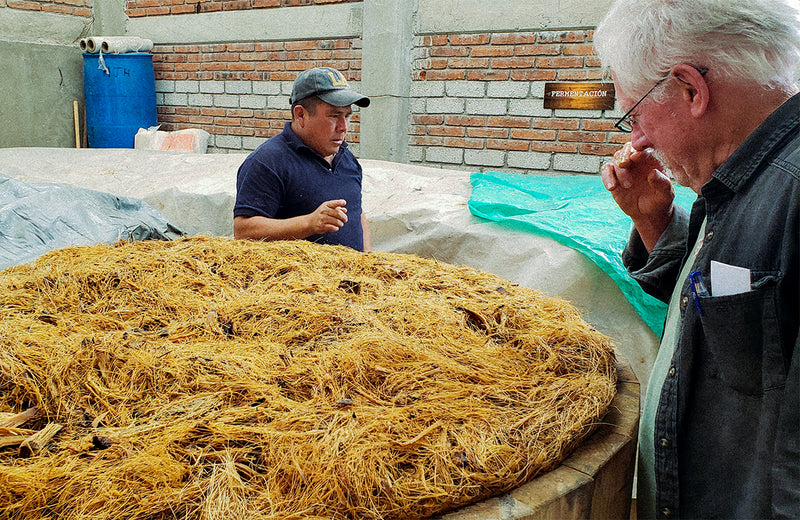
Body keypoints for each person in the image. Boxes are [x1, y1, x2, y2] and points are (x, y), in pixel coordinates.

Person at [594, 0, 799, 518]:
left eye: (635, 115)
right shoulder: (737, 176)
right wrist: (654, 223)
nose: (637, 139)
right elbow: (732, 317)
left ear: (691, 88)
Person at [234, 66, 372, 251]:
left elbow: (358, 214)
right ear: (301, 115)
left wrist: (369, 261)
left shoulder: (347, 158)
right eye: (334, 116)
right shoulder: (268, 162)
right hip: (299, 279)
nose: (344, 126)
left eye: (347, 116)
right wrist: (309, 223)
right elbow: (243, 231)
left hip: (351, 278)